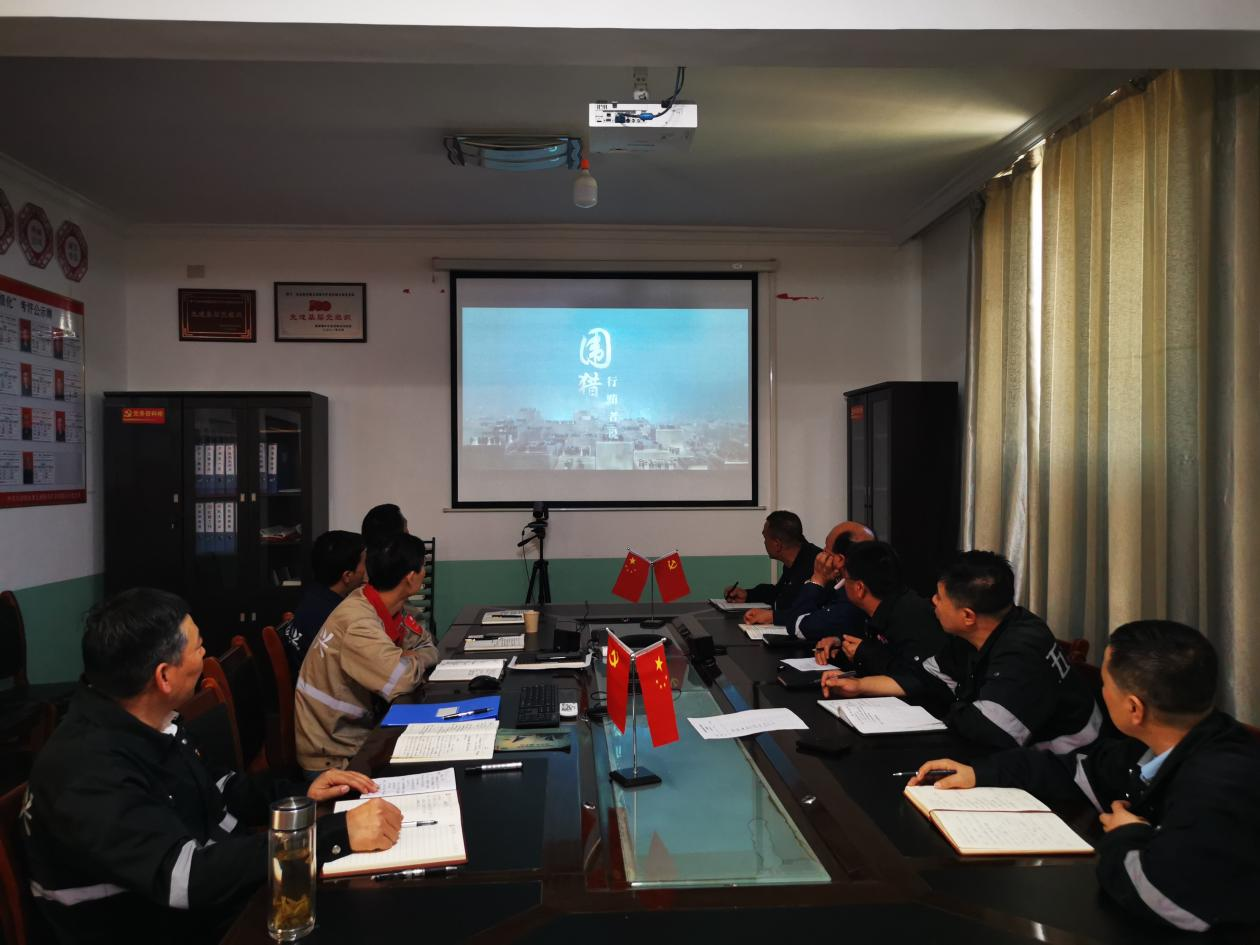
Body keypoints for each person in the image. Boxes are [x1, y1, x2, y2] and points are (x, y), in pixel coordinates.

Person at [23, 587, 403, 945]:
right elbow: (184, 877)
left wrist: (303, 794)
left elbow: (219, 786)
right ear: (164, 676)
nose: (205, 658)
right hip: (176, 928)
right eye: (199, 648)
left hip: (225, 901)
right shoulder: (86, 770)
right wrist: (330, 835)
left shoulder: (148, 721)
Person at [911, 620, 1260, 933]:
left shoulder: (1219, 783)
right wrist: (980, 772)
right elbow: (1076, 769)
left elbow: (1168, 899)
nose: (1101, 692)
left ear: (1134, 709)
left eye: (1105, 684)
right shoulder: (1163, 743)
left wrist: (1127, 835)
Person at [822, 550, 1101, 753]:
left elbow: (990, 731)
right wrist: (860, 686)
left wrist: (953, 706)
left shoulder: (1021, 650)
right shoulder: (975, 632)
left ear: (967, 615)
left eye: (940, 598)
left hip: (1069, 764)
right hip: (1015, 755)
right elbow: (924, 677)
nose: (932, 602)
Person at [295, 533, 439, 775]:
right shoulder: (358, 622)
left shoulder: (384, 605)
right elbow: (401, 680)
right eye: (423, 567)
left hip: (361, 733)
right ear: (411, 577)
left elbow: (427, 644)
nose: (424, 573)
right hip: (335, 757)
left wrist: (412, 658)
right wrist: (411, 658)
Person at [811, 540, 944, 675]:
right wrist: (841, 646)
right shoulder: (880, 608)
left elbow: (915, 676)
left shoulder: (912, 618)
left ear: (859, 588)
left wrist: (864, 654)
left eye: (845, 578)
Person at [753, 520, 873, 642]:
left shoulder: (851, 593)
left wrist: (817, 580)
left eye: (826, 549)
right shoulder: (851, 584)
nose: (821, 553)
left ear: (840, 560)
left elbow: (797, 627)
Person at [279, 530, 367, 674]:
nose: (366, 570)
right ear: (347, 576)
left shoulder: (314, 594)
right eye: (364, 563)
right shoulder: (335, 616)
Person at [723, 511, 821, 619]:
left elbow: (806, 612)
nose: (764, 542)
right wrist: (748, 595)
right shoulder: (795, 560)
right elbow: (779, 593)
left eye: (765, 538)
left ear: (777, 544)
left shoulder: (816, 566)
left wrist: (773, 617)